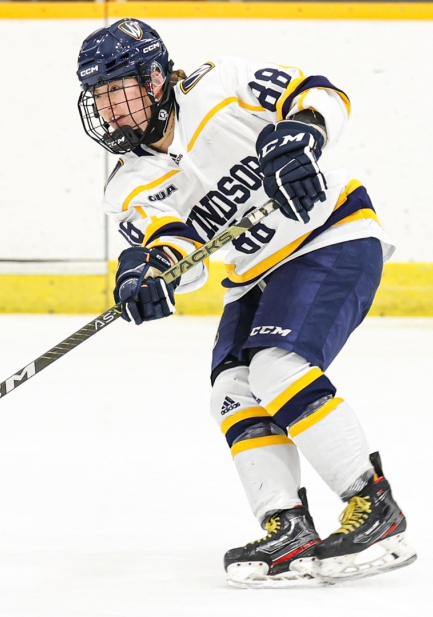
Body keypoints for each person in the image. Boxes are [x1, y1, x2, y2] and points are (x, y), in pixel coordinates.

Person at [76, 19, 415, 588]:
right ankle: (287, 526)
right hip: (255, 275)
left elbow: (319, 93)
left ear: (156, 77)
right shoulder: (126, 182)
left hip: (331, 236)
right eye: (100, 97)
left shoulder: (220, 85)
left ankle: (375, 507)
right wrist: (150, 274)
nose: (109, 109)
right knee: (232, 391)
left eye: (119, 90)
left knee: (277, 368)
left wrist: (300, 135)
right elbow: (180, 250)